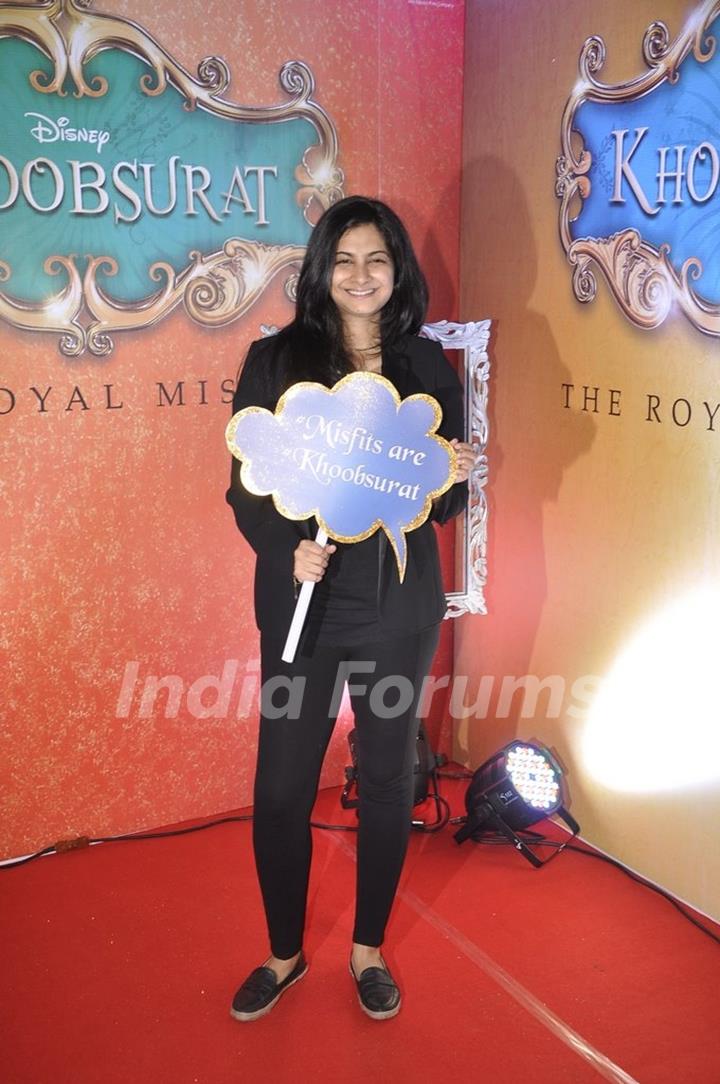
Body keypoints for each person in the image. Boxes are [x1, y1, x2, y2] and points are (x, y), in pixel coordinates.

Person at [225, 195, 476, 1021]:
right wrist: (280, 546)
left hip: (397, 611)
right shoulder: (276, 359)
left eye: (376, 259)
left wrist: (457, 474)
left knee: (387, 775)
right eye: (344, 260)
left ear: (396, 269)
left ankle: (367, 950)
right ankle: (283, 952)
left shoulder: (428, 368)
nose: (361, 276)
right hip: (304, 605)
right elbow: (246, 486)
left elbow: (439, 503)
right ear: (320, 269)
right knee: (283, 790)